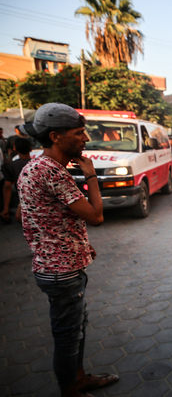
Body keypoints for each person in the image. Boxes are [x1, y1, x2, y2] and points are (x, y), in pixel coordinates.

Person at [17, 103, 118, 397]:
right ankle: (71, 390)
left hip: (56, 266)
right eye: (78, 133)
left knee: (75, 331)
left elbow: (45, 220)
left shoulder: (33, 167)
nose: (85, 139)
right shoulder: (53, 173)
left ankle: (79, 378)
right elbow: (97, 217)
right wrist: (90, 176)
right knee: (67, 337)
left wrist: (81, 246)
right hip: (62, 273)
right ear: (54, 137)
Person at [1, 138, 32, 222]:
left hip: (23, 202)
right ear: (30, 149)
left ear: (15, 150)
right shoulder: (38, 164)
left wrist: (6, 209)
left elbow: (7, 186)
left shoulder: (11, 166)